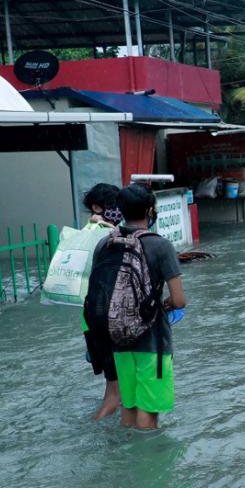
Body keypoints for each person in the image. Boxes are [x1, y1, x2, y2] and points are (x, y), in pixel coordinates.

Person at [85, 183, 187, 430]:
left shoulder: (105, 244)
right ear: (150, 211)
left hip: (118, 341)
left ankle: (126, 463)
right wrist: (165, 303)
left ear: (120, 210)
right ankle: (148, 465)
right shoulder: (160, 245)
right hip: (153, 342)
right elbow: (179, 300)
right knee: (148, 413)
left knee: (128, 409)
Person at [80, 183, 125, 421]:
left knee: (114, 386)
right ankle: (99, 430)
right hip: (106, 317)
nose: (118, 210)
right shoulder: (100, 232)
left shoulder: (87, 231)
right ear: (98, 207)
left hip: (92, 317)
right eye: (113, 206)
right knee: (115, 392)